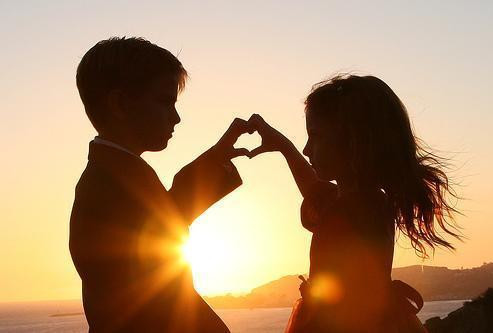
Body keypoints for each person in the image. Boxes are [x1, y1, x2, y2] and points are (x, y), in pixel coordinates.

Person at [247, 74, 461, 332]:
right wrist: (284, 146)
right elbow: (316, 191)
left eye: (315, 136)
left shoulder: (364, 207)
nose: (307, 149)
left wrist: (284, 147)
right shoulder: (357, 201)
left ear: (353, 141)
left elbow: (318, 194)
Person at [69, 37, 251, 332]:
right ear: (120, 104)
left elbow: (160, 222)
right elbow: (155, 291)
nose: (176, 118)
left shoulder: (115, 177)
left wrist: (214, 161)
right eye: (165, 102)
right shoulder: (109, 187)